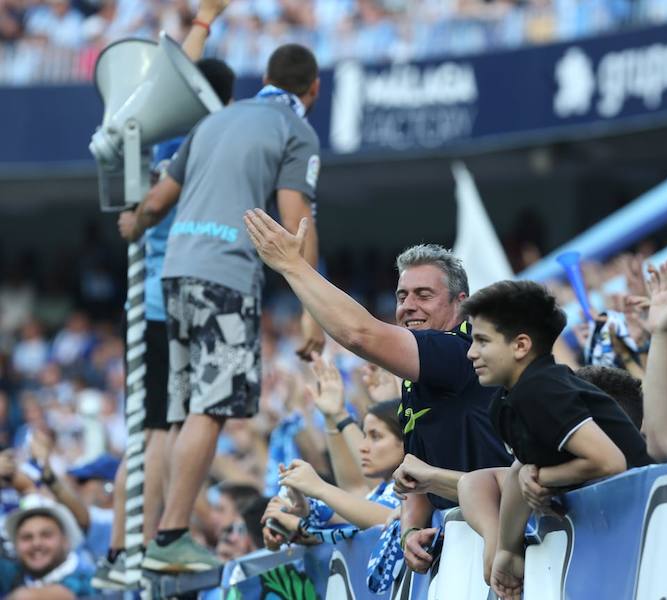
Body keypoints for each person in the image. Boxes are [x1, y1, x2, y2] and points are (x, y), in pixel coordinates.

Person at [121, 42, 325, 573]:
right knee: (210, 411)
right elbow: (294, 222)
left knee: (180, 414)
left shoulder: (218, 119)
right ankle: (169, 536)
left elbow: (156, 202)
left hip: (174, 277)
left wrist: (133, 222)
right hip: (225, 277)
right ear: (314, 89)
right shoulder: (295, 130)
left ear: (265, 77)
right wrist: (313, 311)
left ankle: (156, 538)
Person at [241, 218, 510, 573]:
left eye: (424, 295)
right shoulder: (415, 381)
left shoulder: (461, 351)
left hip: (502, 534)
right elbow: (414, 474)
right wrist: (410, 530)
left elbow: (360, 335)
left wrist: (293, 266)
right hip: (463, 546)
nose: (408, 305)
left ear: (460, 303)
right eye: (402, 296)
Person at [100, 3, 236, 582]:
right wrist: (203, 21)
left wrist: (204, 24)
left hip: (158, 300)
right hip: (175, 301)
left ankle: (120, 551)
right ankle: (150, 542)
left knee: (151, 429)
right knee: (163, 431)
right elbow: (186, 78)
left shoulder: (162, 140)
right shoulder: (202, 137)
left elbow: (179, 77)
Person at [456, 280, 652, 599]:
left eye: (481, 341)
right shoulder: (506, 402)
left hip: (641, 522)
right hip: (611, 536)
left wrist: (544, 478)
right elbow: (523, 472)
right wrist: (507, 551)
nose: (470, 353)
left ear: (520, 345)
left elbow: (610, 461)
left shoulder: (542, 390)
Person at [261, 399, 405, 546]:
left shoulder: (412, 488)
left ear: (405, 440)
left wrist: (319, 488)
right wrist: (306, 510)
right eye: (364, 436)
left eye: (376, 437)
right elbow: (349, 524)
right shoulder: (379, 491)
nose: (362, 446)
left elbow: (389, 520)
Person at [0, 499, 94, 598]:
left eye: (46, 535)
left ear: (65, 541)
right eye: (27, 537)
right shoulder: (12, 572)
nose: (36, 543)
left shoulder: (89, 582)